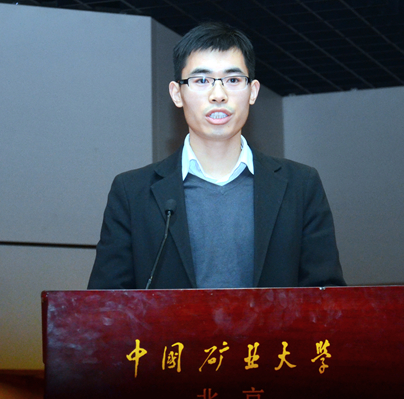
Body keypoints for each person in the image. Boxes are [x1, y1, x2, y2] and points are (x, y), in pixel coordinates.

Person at [88, 22, 345, 289]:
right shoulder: (132, 193)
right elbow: (104, 304)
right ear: (177, 94)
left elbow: (328, 298)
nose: (218, 95)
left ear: (253, 91)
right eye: (201, 80)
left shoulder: (301, 186)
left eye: (233, 80)